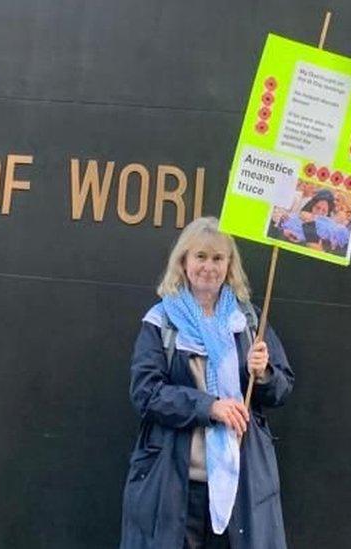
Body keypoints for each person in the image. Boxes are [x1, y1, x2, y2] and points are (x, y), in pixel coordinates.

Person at [120, 217, 295, 549]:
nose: (209, 267)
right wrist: (209, 407)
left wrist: (264, 373)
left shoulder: (248, 321)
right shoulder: (161, 321)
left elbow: (282, 387)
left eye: (218, 258)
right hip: (175, 485)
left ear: (230, 265)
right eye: (200, 256)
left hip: (241, 485)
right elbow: (146, 393)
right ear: (183, 261)